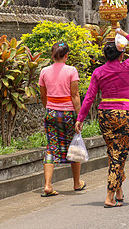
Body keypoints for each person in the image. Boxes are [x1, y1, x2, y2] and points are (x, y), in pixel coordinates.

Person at [75, 28, 129, 208]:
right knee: (119, 155)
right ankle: (109, 196)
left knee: (114, 153)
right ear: (121, 53)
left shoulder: (98, 72)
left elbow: (90, 98)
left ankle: (119, 191)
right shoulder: (126, 66)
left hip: (105, 115)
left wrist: (80, 118)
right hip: (123, 114)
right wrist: (126, 35)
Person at [39, 42, 86, 197]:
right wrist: (79, 116)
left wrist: (50, 108)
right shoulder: (71, 70)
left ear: (52, 55)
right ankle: (76, 183)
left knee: (51, 147)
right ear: (66, 55)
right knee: (73, 145)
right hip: (68, 114)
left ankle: (47, 185)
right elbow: (75, 95)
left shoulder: (44, 71)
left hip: (51, 113)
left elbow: (43, 96)